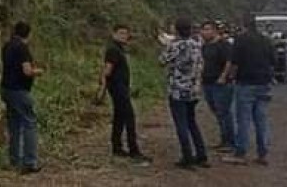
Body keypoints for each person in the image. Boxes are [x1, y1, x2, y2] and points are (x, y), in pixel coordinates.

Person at [223, 14, 275, 166]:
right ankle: (262, 153)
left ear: (243, 24)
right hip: (264, 83)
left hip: (245, 83)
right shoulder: (266, 40)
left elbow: (234, 62)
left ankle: (241, 153)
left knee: (243, 119)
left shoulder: (240, 40)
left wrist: (230, 77)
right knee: (262, 120)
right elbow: (273, 61)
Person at [98, 24, 152, 163]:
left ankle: (117, 147)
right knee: (129, 118)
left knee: (119, 117)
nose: (124, 36)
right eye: (120, 33)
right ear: (114, 34)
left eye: (126, 33)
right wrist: (102, 89)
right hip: (118, 88)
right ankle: (134, 150)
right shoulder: (113, 50)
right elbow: (107, 70)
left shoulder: (118, 49)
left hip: (120, 87)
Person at [160, 17, 209, 169]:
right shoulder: (196, 44)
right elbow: (201, 64)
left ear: (177, 29)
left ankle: (186, 156)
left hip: (178, 89)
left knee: (181, 124)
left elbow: (162, 60)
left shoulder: (176, 45)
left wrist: (166, 44)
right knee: (192, 122)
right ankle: (201, 154)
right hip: (193, 89)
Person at [0, 21, 43, 174]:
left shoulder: (7, 45)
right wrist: (38, 71)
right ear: (29, 34)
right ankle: (30, 162)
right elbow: (27, 71)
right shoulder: (22, 48)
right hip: (19, 91)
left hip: (6, 89)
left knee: (14, 125)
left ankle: (14, 159)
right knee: (30, 123)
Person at [201, 20, 236, 152]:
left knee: (224, 112)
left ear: (215, 31)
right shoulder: (205, 46)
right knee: (217, 112)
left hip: (221, 84)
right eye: (203, 30)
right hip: (208, 82)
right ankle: (224, 139)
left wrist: (223, 76)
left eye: (208, 29)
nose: (204, 32)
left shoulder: (223, 45)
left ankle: (230, 141)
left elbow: (229, 62)